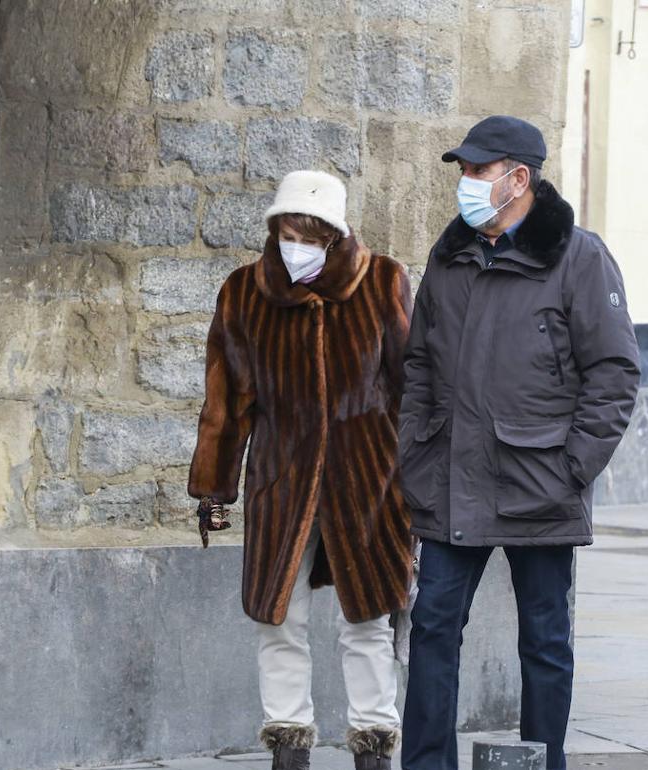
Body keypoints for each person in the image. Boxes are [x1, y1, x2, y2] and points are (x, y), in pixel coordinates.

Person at [399, 116, 640, 770]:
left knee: (544, 639)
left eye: (479, 171)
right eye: (465, 172)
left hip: (540, 481)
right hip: (451, 479)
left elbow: (615, 372)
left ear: (518, 178)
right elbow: (418, 362)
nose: (467, 183)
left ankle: (542, 762)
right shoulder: (448, 257)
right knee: (432, 629)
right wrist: (413, 457)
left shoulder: (579, 256)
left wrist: (572, 470)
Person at [189, 170, 414, 770]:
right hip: (280, 480)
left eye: (311, 233)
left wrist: (414, 484)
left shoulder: (384, 283)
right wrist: (215, 486)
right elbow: (226, 399)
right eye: (288, 230)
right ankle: (288, 748)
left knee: (368, 620)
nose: (298, 243)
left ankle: (373, 747)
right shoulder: (243, 293)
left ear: (335, 236)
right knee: (279, 617)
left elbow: (410, 391)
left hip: (368, 480)